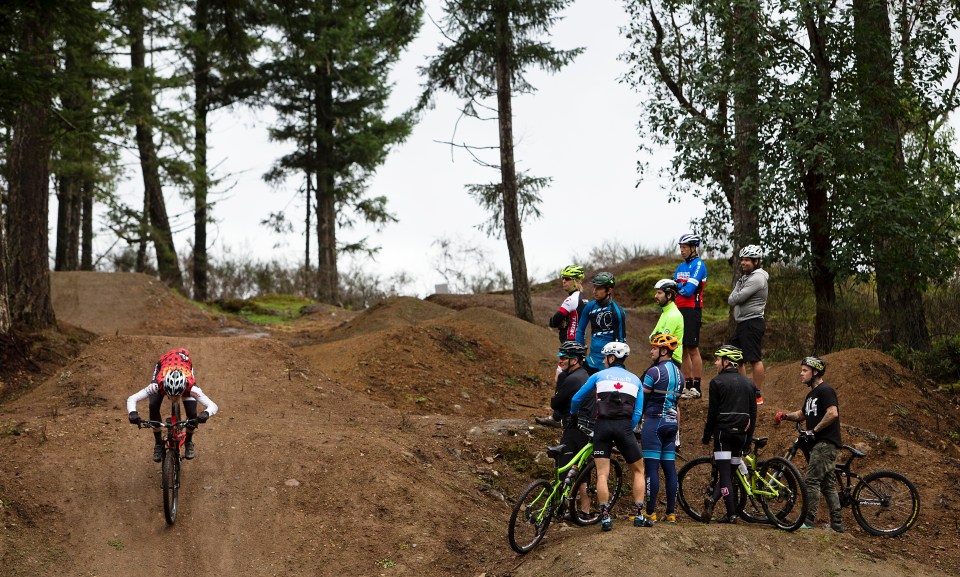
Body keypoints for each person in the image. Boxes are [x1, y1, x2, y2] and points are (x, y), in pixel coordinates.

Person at [569, 341, 645, 532]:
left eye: (605, 357)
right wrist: (629, 427)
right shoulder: (636, 380)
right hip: (624, 427)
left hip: (602, 426)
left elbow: (576, 398)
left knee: (602, 473)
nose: (603, 360)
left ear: (612, 358)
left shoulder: (598, 376)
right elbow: (638, 412)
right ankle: (639, 515)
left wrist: (573, 414)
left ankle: (604, 517)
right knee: (638, 471)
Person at [774, 356, 844, 532]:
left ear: (815, 372)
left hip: (825, 442)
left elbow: (832, 413)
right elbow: (801, 414)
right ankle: (837, 524)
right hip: (821, 444)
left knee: (811, 480)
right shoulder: (812, 394)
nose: (801, 373)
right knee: (827, 484)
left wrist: (815, 430)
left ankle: (808, 520)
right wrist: (785, 416)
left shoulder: (825, 390)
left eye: (804, 370)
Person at [127, 347, 219, 462]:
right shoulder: (157, 385)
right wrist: (133, 413)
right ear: (165, 388)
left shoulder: (191, 388)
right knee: (153, 406)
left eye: (177, 395)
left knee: (192, 413)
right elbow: (132, 398)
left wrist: (205, 414)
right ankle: (158, 444)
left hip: (184, 365)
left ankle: (189, 441)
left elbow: (213, 406)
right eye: (170, 395)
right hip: (164, 364)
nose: (173, 398)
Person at [701, 344, 756, 524]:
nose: (716, 362)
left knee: (724, 475)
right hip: (741, 435)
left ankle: (732, 514)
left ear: (726, 362)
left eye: (718, 359)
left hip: (723, 434)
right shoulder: (749, 383)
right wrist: (748, 439)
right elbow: (753, 414)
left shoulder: (716, 382)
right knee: (729, 473)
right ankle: (713, 501)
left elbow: (712, 413)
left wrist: (707, 435)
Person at [636, 333, 684, 527]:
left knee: (651, 469)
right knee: (670, 468)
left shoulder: (653, 372)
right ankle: (671, 513)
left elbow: (643, 400)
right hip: (672, 424)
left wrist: (637, 420)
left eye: (654, 348)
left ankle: (650, 513)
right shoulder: (681, 375)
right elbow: (678, 403)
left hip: (654, 423)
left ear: (664, 351)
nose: (651, 351)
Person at [538, 265, 589, 427]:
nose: (563, 281)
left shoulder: (571, 299)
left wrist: (562, 324)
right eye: (563, 278)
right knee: (573, 378)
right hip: (580, 342)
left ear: (576, 281)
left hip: (570, 344)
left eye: (567, 279)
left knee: (561, 377)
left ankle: (557, 417)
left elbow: (554, 321)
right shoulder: (584, 299)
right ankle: (565, 415)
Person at [548, 341, 595, 517]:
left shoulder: (572, 379)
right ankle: (585, 511)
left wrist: (559, 382)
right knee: (583, 470)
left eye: (563, 357)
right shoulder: (586, 375)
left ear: (574, 360)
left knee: (564, 467)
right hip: (588, 428)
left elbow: (555, 403)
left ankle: (561, 508)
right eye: (559, 356)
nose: (559, 360)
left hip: (574, 428)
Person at [727, 244, 769, 404]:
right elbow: (731, 299)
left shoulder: (758, 278)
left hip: (752, 322)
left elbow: (735, 299)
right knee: (736, 357)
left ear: (756, 261)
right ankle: (745, 390)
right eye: (742, 260)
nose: (743, 263)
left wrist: (737, 288)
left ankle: (756, 394)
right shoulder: (746, 278)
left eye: (747, 260)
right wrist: (738, 287)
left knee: (754, 359)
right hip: (743, 323)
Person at [674, 233, 707, 399]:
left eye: (685, 247)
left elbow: (688, 291)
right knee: (683, 349)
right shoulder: (680, 267)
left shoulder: (699, 265)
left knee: (693, 348)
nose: (682, 251)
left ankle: (697, 387)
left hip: (692, 309)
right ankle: (688, 386)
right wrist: (681, 285)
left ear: (693, 248)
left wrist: (680, 285)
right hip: (678, 309)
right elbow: (674, 288)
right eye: (680, 247)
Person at [575, 272, 627, 375]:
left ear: (609, 290)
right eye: (594, 287)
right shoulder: (590, 307)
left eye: (598, 288)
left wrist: (614, 364)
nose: (594, 291)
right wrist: (579, 353)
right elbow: (580, 331)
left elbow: (620, 341)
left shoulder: (617, 311)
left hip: (607, 364)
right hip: (591, 361)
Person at [649, 279, 684, 365]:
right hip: (664, 357)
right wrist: (654, 337)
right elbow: (651, 338)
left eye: (659, 293)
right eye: (656, 292)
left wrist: (655, 337)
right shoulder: (666, 312)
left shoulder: (673, 315)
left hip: (671, 359)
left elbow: (660, 342)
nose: (656, 296)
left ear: (669, 295)